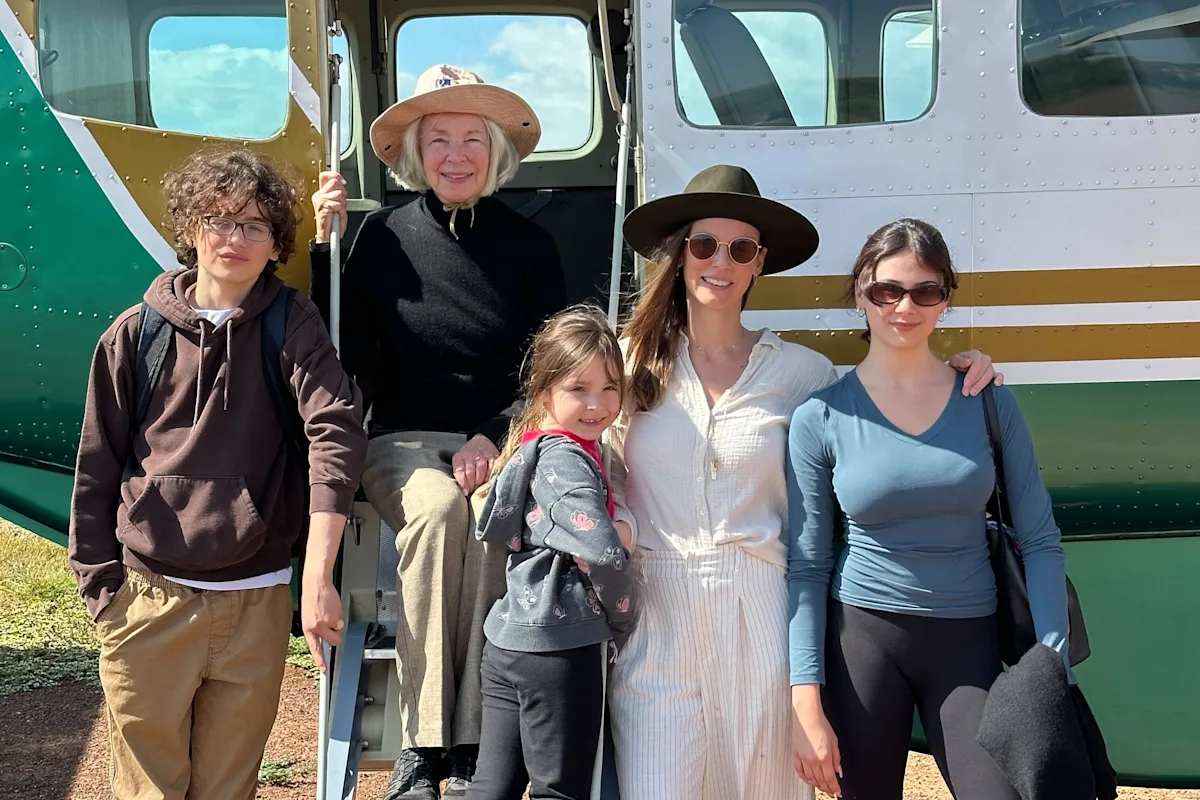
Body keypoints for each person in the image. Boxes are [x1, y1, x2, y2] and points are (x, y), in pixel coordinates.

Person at [604, 166, 1000, 800]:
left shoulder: (802, 374)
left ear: (759, 264)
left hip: (764, 610)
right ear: (679, 254)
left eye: (741, 249)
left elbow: (884, 419)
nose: (721, 262)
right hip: (658, 611)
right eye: (704, 244)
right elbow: (581, 457)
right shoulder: (626, 362)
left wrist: (963, 372)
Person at [68, 147, 366, 800]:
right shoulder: (135, 335)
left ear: (276, 245)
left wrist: (316, 577)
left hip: (254, 602)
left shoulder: (292, 325)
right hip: (148, 598)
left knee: (229, 787)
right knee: (147, 790)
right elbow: (96, 468)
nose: (235, 237)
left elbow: (335, 434)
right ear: (191, 228)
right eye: (219, 219)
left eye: (255, 225)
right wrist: (102, 592)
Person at [309, 64, 570, 799]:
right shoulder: (380, 238)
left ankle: (476, 744)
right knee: (436, 511)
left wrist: (494, 434)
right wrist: (326, 247)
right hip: (401, 441)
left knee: (490, 515)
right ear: (417, 155)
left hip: (503, 439)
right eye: (438, 141)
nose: (455, 156)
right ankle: (423, 745)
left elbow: (551, 371)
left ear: (495, 151)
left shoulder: (531, 247)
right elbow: (342, 351)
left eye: (471, 140)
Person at [786, 218, 1071, 800]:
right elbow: (808, 566)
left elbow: (1041, 539)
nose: (904, 307)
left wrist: (1052, 663)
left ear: (945, 300)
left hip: (969, 642)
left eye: (925, 291)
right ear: (861, 292)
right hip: (862, 640)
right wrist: (805, 702)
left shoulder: (987, 401)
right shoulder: (821, 416)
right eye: (886, 290)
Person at [467, 305, 637, 800]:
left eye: (610, 388)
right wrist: (624, 618)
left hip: (507, 640)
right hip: (561, 648)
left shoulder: (533, 449)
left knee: (490, 787)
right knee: (559, 792)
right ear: (544, 393)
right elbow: (602, 555)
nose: (597, 405)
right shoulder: (569, 461)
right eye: (578, 389)